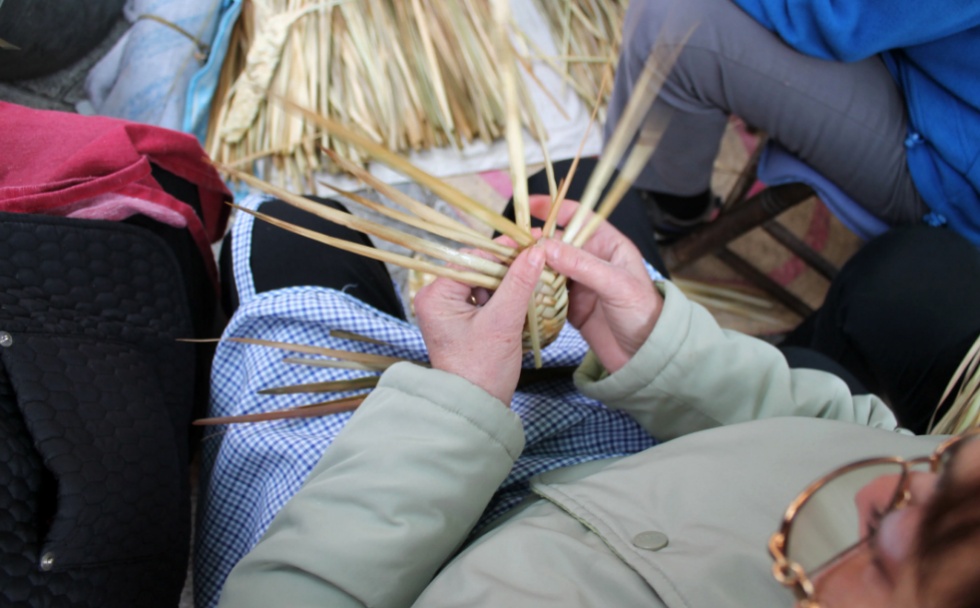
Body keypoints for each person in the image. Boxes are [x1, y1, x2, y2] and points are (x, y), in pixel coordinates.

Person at [205, 182, 980, 606]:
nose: (883, 481)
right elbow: (854, 435)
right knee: (558, 190)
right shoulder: (920, 497)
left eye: (881, 542)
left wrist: (458, 402)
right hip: (613, 456)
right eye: (939, 469)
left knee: (286, 222)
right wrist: (668, 356)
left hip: (377, 531)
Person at [608, 0, 980, 245]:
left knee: (672, 27)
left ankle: (673, 211)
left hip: (949, 165)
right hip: (920, 63)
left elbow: (838, 18)